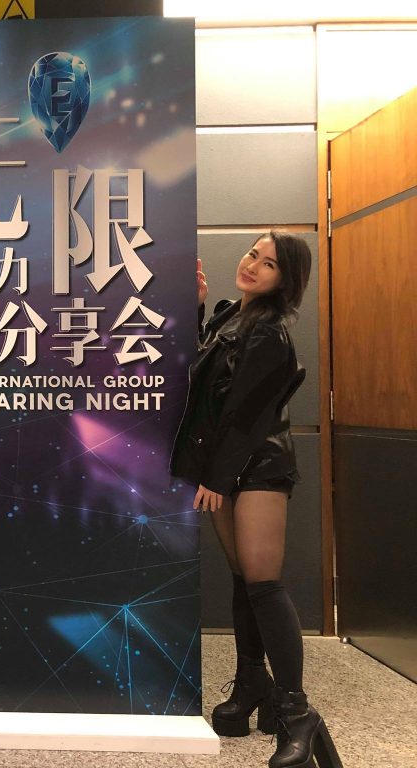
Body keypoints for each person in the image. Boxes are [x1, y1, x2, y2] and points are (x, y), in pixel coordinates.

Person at [171, 232, 341, 768]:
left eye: (268, 264)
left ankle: (297, 713)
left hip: (259, 465)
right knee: (244, 579)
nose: (252, 266)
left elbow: (246, 415)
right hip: (225, 466)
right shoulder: (230, 315)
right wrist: (197, 311)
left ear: (285, 280)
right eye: (252, 254)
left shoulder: (269, 331)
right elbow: (204, 384)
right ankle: (252, 686)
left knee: (264, 585)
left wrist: (218, 478)